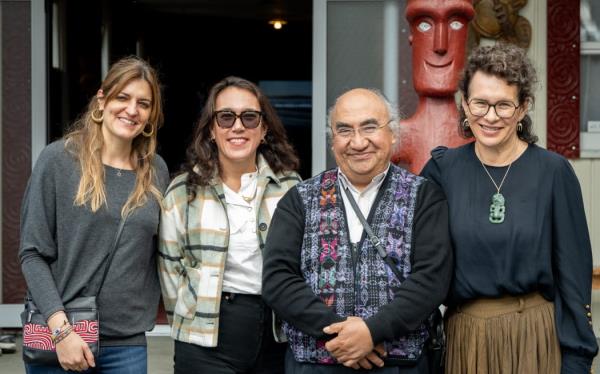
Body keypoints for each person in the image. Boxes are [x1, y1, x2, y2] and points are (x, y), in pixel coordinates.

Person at [421, 43, 599, 373]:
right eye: (480, 104)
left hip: (534, 339)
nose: (490, 116)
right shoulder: (441, 172)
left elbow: (573, 278)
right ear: (464, 103)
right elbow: (423, 269)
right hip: (467, 341)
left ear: (522, 108)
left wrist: (577, 359)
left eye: (503, 105)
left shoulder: (553, 173)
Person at [262, 88, 453, 373]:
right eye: (344, 130)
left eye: (369, 127)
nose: (358, 142)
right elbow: (278, 280)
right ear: (332, 140)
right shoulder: (300, 199)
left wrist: (372, 331)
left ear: (392, 133)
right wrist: (342, 337)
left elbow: (431, 279)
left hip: (399, 364)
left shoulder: (423, 196)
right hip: (315, 364)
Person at [19, 56, 170, 373]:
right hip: (62, 336)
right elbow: (32, 253)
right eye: (123, 97)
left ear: (151, 115)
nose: (132, 110)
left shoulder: (155, 170)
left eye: (143, 103)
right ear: (102, 99)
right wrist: (62, 332)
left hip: (127, 344)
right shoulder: (58, 160)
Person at [158, 76, 301, 374]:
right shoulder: (183, 192)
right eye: (226, 117)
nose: (238, 127)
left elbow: (302, 264)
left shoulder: (290, 188)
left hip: (276, 336)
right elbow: (171, 270)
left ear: (263, 129)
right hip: (204, 345)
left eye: (249, 117)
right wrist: (191, 322)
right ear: (211, 129)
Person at [393, 0, 475, 173]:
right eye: (425, 25)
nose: (440, 45)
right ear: (411, 37)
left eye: (455, 24)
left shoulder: (481, 133)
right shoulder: (398, 136)